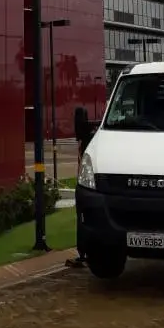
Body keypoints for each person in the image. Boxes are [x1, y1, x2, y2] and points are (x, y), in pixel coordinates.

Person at [66, 110, 94, 268]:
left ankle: (84, 252)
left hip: (84, 185)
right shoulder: (87, 138)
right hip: (83, 183)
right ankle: (84, 252)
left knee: (83, 219)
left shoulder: (86, 140)